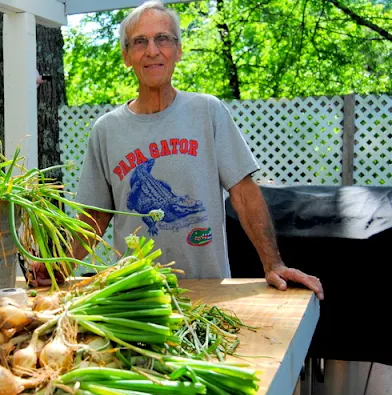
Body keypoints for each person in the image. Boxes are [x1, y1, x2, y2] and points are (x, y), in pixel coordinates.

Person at [31, 0, 323, 300]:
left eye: (163, 39)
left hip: (209, 290)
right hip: (135, 296)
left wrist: (273, 263)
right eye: (140, 42)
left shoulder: (207, 112)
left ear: (179, 51)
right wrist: (59, 266)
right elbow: (95, 216)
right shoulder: (106, 130)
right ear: (126, 56)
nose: (152, 50)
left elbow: (245, 194)